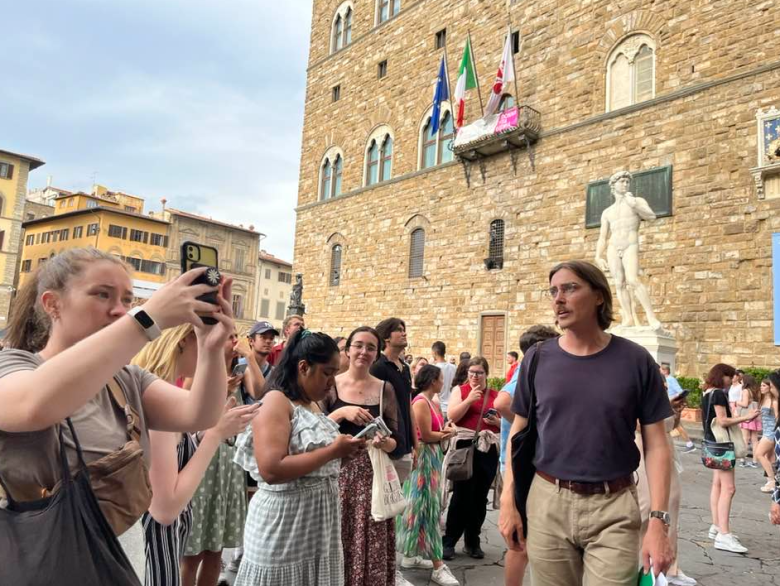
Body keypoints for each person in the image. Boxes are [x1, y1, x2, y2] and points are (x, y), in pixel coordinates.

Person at [0, 248, 232, 578]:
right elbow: (33, 404)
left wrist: (210, 348)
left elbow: (199, 414)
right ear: (52, 304)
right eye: (102, 295)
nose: (119, 310)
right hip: (39, 563)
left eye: (127, 299)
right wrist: (147, 319)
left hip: (121, 560)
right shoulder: (13, 366)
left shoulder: (126, 379)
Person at [500, 260, 674, 585]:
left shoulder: (636, 360)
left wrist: (658, 523)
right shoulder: (538, 358)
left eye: (570, 288)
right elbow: (519, 435)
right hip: (547, 501)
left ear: (598, 296)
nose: (558, 298)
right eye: (553, 291)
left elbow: (658, 444)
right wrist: (509, 499)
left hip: (615, 507)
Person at [232, 330, 364, 586]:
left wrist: (345, 454)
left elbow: (313, 464)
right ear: (304, 367)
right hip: (284, 526)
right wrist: (333, 451)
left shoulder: (312, 404)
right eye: (327, 373)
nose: (331, 382)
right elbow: (271, 468)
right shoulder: (276, 402)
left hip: (315, 526)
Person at [133, 325, 259, 586]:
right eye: (213, 343)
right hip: (154, 545)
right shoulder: (158, 399)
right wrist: (214, 435)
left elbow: (173, 452)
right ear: (184, 340)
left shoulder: (150, 387)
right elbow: (165, 509)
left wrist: (207, 433)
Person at [323, 326, 402, 586]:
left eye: (371, 347)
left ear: (377, 354)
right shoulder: (330, 384)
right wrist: (341, 414)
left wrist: (384, 442)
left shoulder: (384, 389)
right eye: (358, 345)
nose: (364, 352)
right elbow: (313, 429)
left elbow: (397, 442)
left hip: (372, 478)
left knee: (369, 544)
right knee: (335, 539)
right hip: (335, 474)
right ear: (347, 350)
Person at [180, 332, 249, 586]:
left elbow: (262, 391)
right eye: (229, 337)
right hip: (203, 459)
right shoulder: (200, 368)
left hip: (228, 462)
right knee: (193, 552)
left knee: (216, 548)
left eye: (234, 337)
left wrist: (248, 359)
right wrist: (222, 388)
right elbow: (184, 406)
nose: (233, 341)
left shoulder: (242, 370)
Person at [494, 325, 558, 586]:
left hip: (522, 464)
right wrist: (531, 428)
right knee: (521, 541)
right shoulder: (527, 370)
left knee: (526, 539)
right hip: (521, 466)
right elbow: (501, 403)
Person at [396, 365, 458, 586]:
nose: (444, 382)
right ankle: (437, 565)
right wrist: (448, 432)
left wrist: (444, 431)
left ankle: (411, 555)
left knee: (421, 508)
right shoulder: (421, 402)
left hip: (430, 458)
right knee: (425, 507)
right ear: (433, 380)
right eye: (441, 379)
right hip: (423, 459)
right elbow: (427, 434)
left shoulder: (429, 401)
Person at [369, 318, 417, 586]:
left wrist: (415, 440)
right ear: (386, 337)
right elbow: (378, 407)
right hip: (388, 446)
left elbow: (406, 404)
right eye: (399, 330)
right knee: (385, 505)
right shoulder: (380, 367)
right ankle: (388, 569)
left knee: (395, 506)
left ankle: (390, 566)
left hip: (405, 443)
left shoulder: (404, 367)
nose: (404, 333)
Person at [442, 356, 501, 561]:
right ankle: (449, 541)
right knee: (460, 496)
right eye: (472, 372)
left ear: (486, 374)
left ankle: (472, 541)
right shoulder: (460, 390)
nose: (475, 376)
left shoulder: (496, 395)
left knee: (479, 497)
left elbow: (507, 425)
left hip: (488, 449)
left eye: (479, 372)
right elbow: (453, 416)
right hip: (466, 447)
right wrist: (469, 400)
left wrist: (496, 421)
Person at [635, 393, 697, 586]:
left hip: (665, 451)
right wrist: (661, 410)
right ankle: (643, 566)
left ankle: (670, 566)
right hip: (643, 450)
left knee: (671, 505)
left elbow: (671, 425)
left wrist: (674, 411)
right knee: (646, 508)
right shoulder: (633, 388)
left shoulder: (657, 393)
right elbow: (638, 422)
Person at [701, 363, 758, 553]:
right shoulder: (718, 393)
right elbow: (723, 420)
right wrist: (746, 417)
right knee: (729, 488)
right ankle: (724, 534)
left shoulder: (707, 392)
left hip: (712, 443)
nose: (732, 381)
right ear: (722, 376)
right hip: (722, 444)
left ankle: (717, 526)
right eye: (730, 377)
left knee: (717, 485)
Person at [240, 321, 279, 403]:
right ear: (251, 341)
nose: (268, 341)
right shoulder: (238, 365)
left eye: (271, 338)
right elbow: (259, 395)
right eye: (263, 337)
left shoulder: (274, 373)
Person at [661, 365, 696, 454]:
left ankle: (689, 444)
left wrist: (675, 400)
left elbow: (679, 391)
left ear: (665, 371)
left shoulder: (670, 379)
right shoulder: (667, 379)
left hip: (671, 405)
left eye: (661, 370)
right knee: (676, 425)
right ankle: (688, 444)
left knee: (677, 425)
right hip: (669, 405)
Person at [754, 376, 779, 494]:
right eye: (761, 385)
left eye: (764, 385)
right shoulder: (763, 400)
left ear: (770, 387)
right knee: (769, 457)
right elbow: (763, 417)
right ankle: (772, 481)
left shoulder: (774, 402)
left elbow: (777, 418)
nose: (761, 388)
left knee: (759, 454)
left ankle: (772, 481)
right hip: (765, 431)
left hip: (771, 432)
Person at [737, 375, 762, 469]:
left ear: (746, 381)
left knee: (745, 438)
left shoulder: (745, 390)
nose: (741, 382)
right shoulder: (756, 391)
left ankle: (743, 460)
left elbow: (745, 403)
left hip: (747, 416)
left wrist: (737, 402)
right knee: (755, 440)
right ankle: (755, 462)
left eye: (742, 380)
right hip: (755, 416)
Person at [431, 341, 456, 420]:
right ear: (444, 352)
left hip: (440, 407)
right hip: (452, 407)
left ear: (434, 353)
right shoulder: (454, 367)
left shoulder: (434, 369)